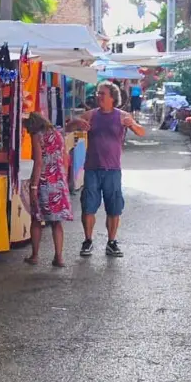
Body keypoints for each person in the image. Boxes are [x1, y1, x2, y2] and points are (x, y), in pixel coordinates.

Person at [65, 81, 146, 258]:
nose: (98, 96)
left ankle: (111, 242)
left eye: (102, 94)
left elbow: (142, 132)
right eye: (98, 93)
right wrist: (77, 122)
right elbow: (67, 128)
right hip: (92, 168)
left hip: (113, 169)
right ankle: (87, 241)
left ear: (112, 97)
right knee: (88, 207)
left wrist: (131, 124)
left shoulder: (122, 116)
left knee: (114, 208)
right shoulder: (91, 115)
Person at [23, 112, 73, 268]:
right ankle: (59, 258)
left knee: (37, 219)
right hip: (58, 180)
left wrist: (33, 186)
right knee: (56, 222)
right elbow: (64, 158)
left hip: (44, 181)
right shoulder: (57, 134)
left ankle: (35, 255)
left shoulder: (37, 136)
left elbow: (38, 163)